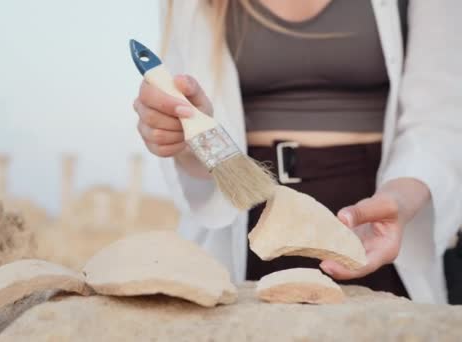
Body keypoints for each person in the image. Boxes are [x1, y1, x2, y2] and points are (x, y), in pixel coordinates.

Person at [132, 0, 462, 303]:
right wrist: (180, 138)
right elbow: (200, 159)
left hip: (372, 221)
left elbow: (439, 118)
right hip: (249, 215)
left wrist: (401, 200)